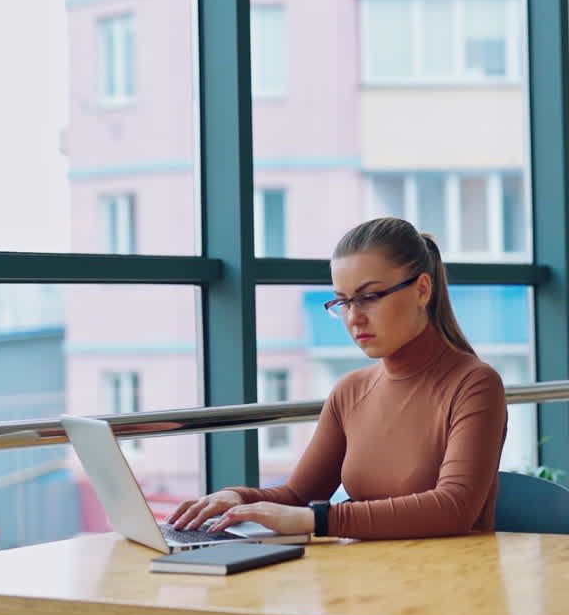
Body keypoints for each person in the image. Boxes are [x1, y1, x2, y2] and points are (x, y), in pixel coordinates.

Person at [167, 217, 508, 540]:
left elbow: (454, 507)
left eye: (369, 297)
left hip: (453, 585)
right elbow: (299, 495)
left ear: (422, 290)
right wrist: (238, 498)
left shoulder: (475, 384)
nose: (354, 318)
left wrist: (320, 520)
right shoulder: (350, 391)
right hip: (365, 580)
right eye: (343, 302)